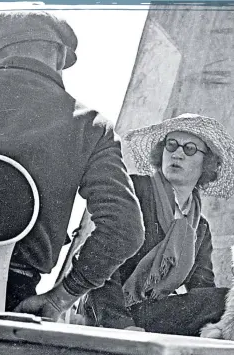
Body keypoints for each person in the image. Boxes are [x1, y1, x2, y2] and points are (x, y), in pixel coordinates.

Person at [0, 11, 144, 320]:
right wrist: (61, 297)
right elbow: (125, 229)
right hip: (15, 300)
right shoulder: (91, 125)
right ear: (59, 55)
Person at [82, 113, 234, 336]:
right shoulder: (135, 191)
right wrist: (120, 324)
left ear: (207, 164)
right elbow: (98, 261)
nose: (177, 153)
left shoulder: (199, 226)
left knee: (225, 301)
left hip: (154, 312)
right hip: (108, 311)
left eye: (189, 148)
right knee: (222, 301)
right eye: (171, 145)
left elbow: (201, 289)